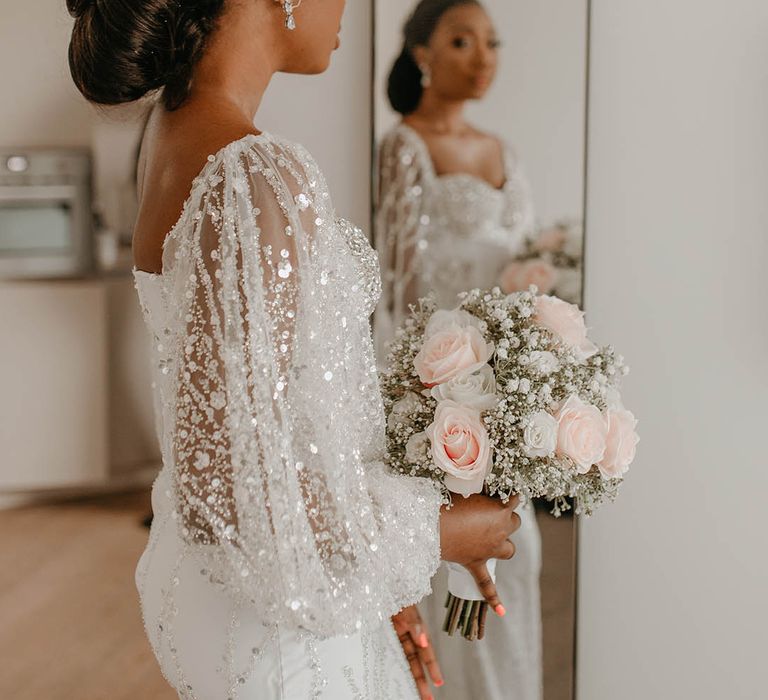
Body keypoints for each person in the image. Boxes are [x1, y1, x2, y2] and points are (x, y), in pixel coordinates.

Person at [66, 1, 522, 698]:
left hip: (223, 590)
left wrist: (382, 586)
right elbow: (244, 503)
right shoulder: (252, 175)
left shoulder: (176, 132)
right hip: (275, 623)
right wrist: (438, 536)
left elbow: (266, 443)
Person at [375, 2, 543, 699]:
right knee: (457, 565)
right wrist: (416, 404)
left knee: (517, 554)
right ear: (421, 52)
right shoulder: (404, 146)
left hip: (510, 386)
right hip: (440, 389)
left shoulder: (504, 149)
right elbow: (395, 283)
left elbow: (528, 258)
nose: (482, 57)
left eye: (492, 44)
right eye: (461, 41)